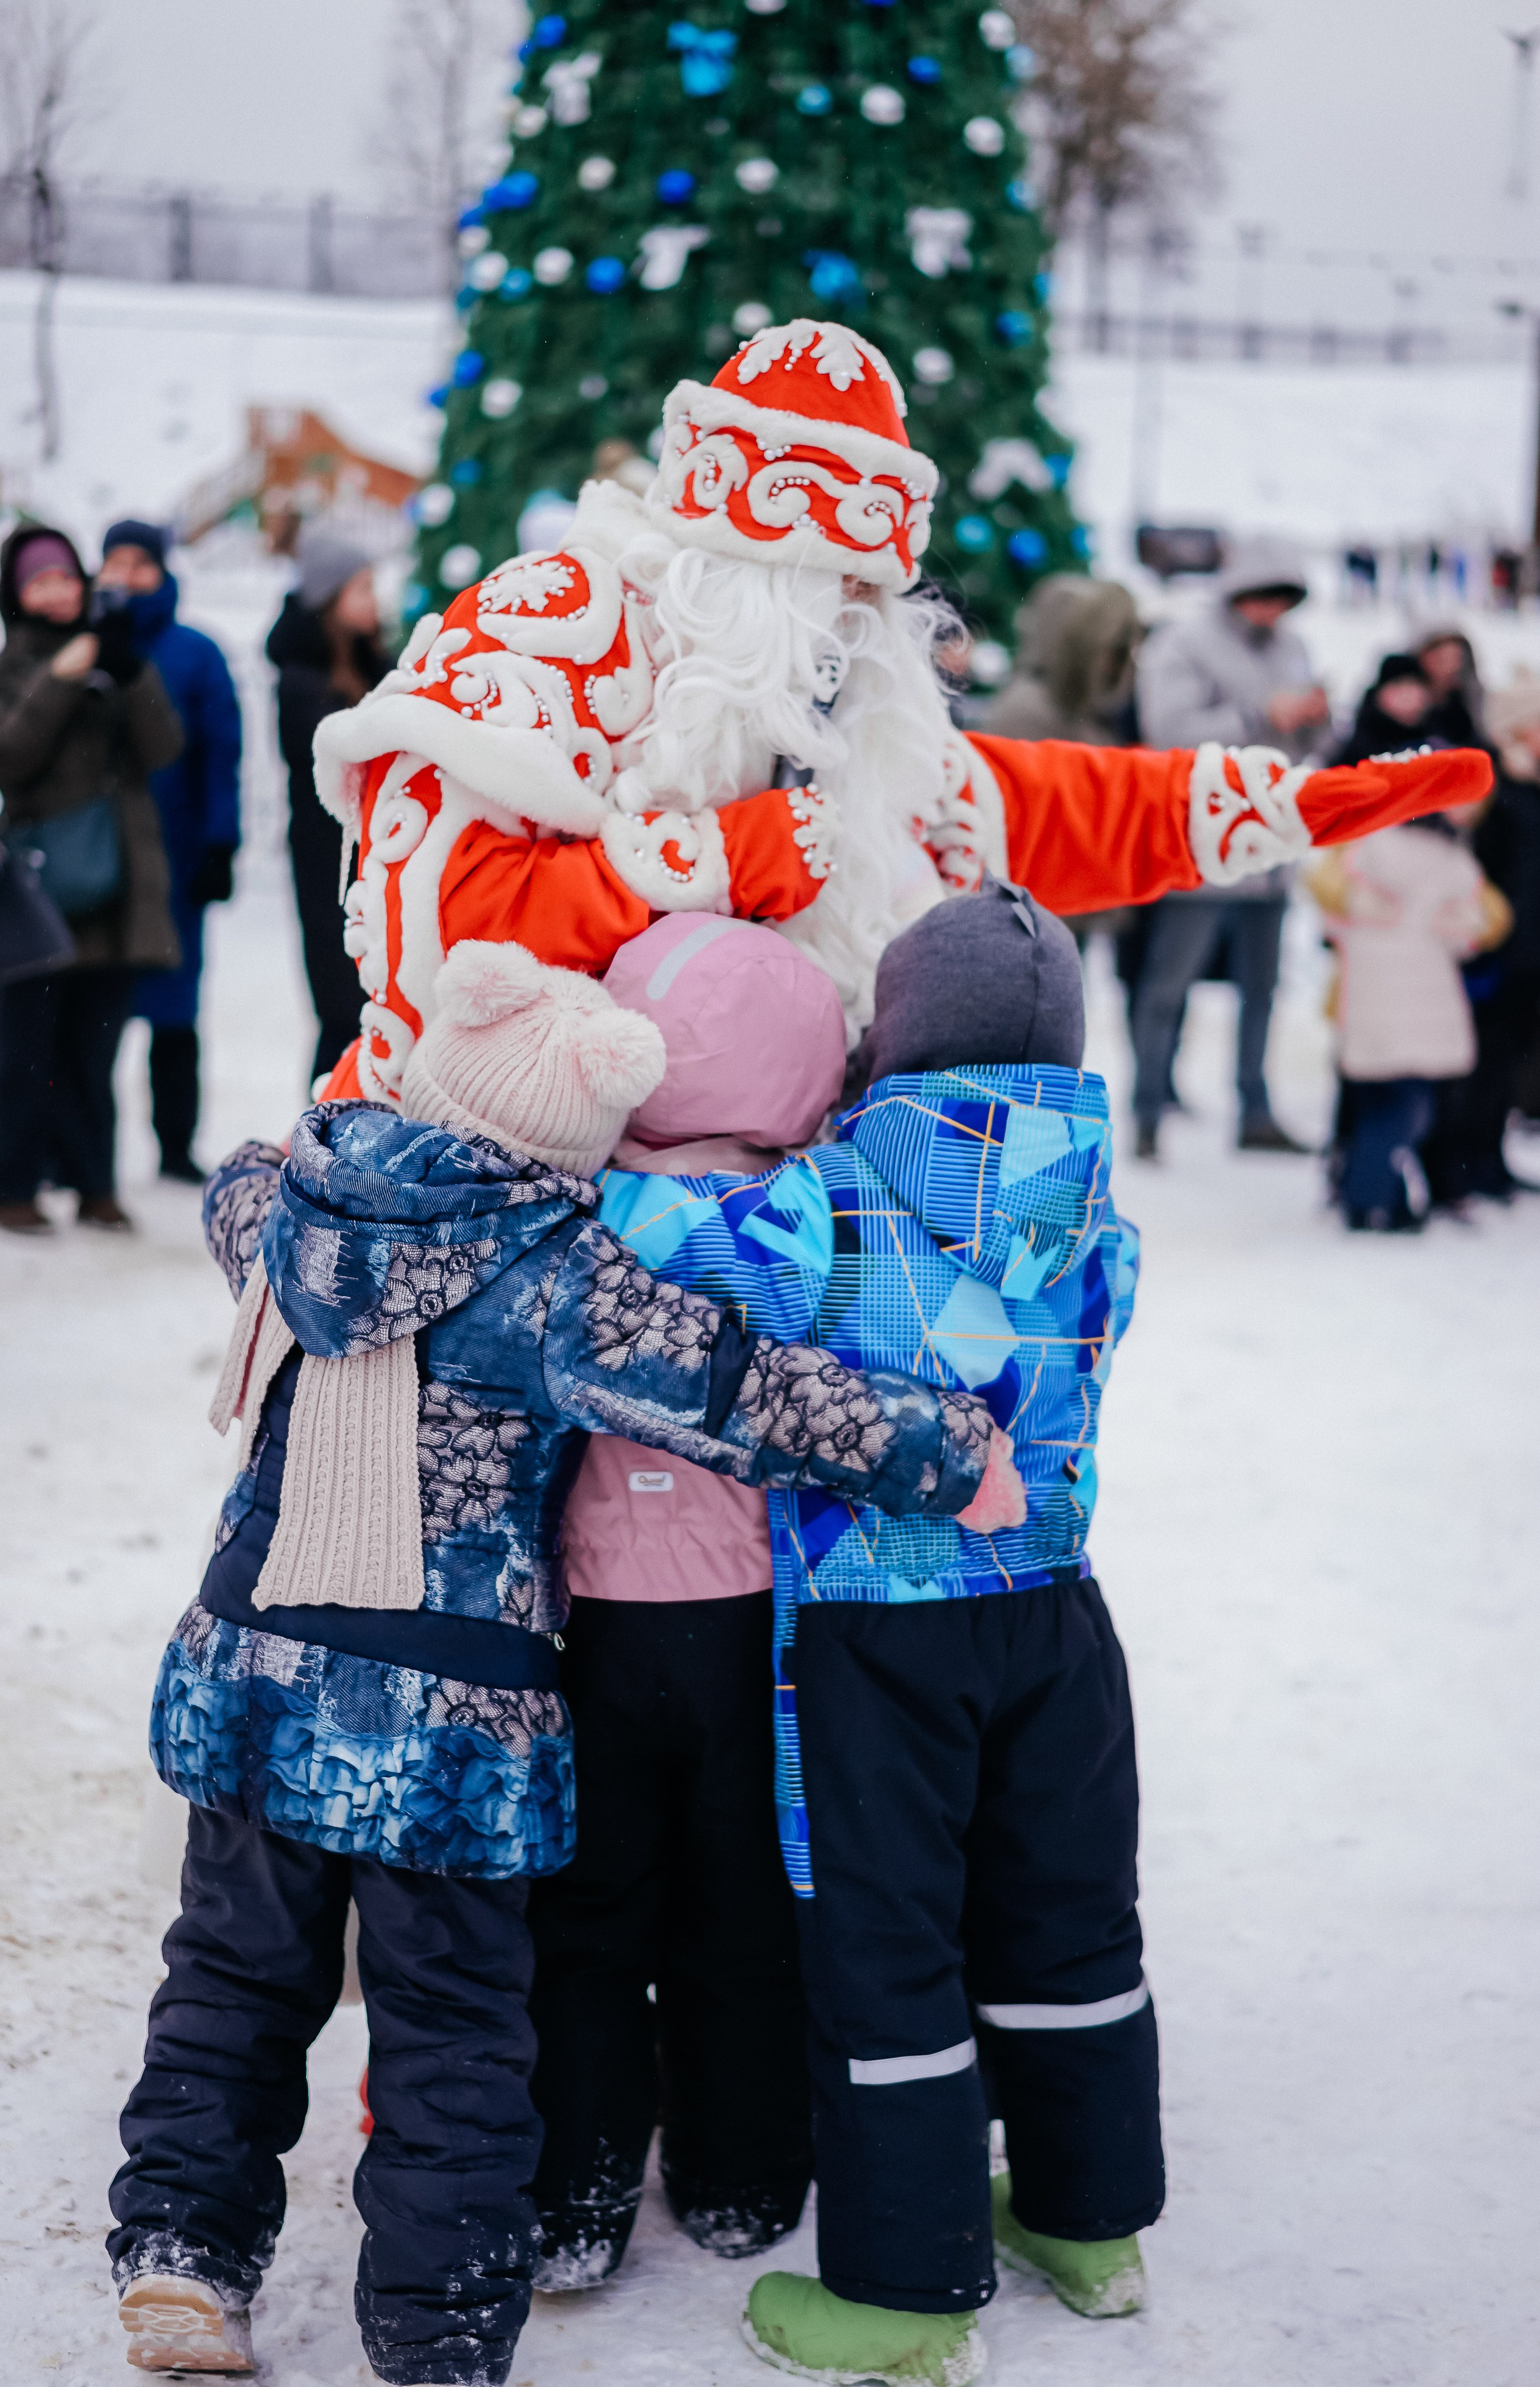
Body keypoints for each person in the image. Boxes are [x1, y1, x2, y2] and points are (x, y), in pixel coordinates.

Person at [109, 936, 1017, 2385]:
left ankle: (181, 2252)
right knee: (454, 2021)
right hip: (442, 1725)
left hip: (250, 1679)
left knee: (229, 1978)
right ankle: (438, 2320)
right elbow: (745, 1392)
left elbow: (231, 1185)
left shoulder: (294, 1209)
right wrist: (951, 1447)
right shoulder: (554, 1276)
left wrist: (322, 1144)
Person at [303, 323, 1482, 1110]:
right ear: (745, 574)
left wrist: (1291, 803)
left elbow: (1030, 805)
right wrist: (712, 859)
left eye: (875, 600)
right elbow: (439, 947)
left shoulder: (834, 710)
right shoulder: (553, 629)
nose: (858, 634)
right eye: (836, 597)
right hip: (480, 1251)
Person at [587, 885, 1153, 2386]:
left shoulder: (831, 1199)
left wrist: (575, 1162)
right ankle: (1085, 2218)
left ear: (888, 1043)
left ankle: (903, 2292)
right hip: (1054, 1611)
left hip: (879, 1635)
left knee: (882, 1940)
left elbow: (665, 1238)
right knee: (1065, 1912)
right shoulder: (1098, 1211)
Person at [526, 914, 848, 2291]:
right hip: (750, 1626)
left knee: (590, 1916)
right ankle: (740, 2170)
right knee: (740, 1908)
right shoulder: (813, 1218)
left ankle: (578, 2190)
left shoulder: (571, 1200)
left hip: (593, 1617)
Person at [0, 523, 181, 1233]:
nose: (57, 590)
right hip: (39, 888)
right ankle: (10, 1188)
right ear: (17, 591)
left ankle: (93, 1183)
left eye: (66, 576)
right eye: (40, 580)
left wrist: (131, 672)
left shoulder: (119, 655)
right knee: (26, 1047)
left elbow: (164, 746)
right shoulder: (0, 670)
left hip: (115, 890)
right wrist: (63, 677)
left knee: (96, 1049)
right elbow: (8, 755)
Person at [1131, 534, 1332, 1159]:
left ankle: (1255, 1110)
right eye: (1262, 595)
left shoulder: (1294, 647)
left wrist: (1318, 719)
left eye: (1283, 597)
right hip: (1203, 846)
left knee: (1263, 988)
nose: (1271, 609)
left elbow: (1312, 745)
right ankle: (1147, 1110)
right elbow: (1167, 731)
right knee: (1169, 984)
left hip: (1272, 849)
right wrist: (1260, 717)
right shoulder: (1183, 644)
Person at [94, 519, 242, 1182]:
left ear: (162, 571)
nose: (126, 576)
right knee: (89, 1011)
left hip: (176, 859)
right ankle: (77, 1150)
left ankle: (174, 1144)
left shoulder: (195, 653)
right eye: (114, 562)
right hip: (97, 860)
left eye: (139, 563)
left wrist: (220, 840)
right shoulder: (84, 646)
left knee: (175, 1009)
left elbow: (221, 753)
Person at [1308, 822, 1508, 1231]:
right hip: (1423, 1005)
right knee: (1408, 1111)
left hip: (1365, 998)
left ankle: (1371, 1194)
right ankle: (1370, 1200)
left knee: (1373, 1106)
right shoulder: (1451, 861)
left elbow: (1331, 912)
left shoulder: (1363, 849)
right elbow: (1475, 928)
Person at [265, 525, 390, 1084]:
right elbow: (334, 761)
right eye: (362, 588)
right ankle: (320, 1128)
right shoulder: (299, 678)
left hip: (373, 854)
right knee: (343, 1009)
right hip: (327, 860)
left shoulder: (373, 664)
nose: (374, 601)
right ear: (329, 600)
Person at [1420, 678, 1540, 1203]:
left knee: (1509, 1062)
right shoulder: (1491, 786)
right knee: (1475, 1061)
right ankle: (1458, 1162)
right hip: (1490, 949)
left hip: (1531, 948)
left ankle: (1491, 1156)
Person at [979, 574, 1142, 747]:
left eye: (1119, 654)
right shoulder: (1028, 711)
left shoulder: (1088, 709)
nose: (1113, 667)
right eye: (1108, 651)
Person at [1328, 651, 1434, 768]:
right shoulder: (1360, 746)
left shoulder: (1438, 733)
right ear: (1380, 693)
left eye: (1413, 686)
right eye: (1398, 685)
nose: (1407, 695)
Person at [1414, 627, 1488, 753]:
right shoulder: (1404, 705)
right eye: (1442, 659)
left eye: (1456, 659)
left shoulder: (1465, 703)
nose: (1451, 667)